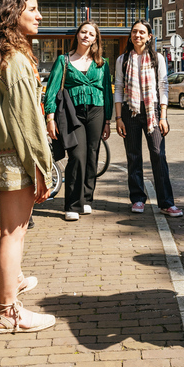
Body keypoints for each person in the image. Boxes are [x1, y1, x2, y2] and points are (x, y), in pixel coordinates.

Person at [0, 0, 55, 333]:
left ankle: (11, 281)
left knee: (8, 231)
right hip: (16, 156)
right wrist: (42, 167)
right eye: (32, 9)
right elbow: (27, 120)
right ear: (13, 15)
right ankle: (9, 313)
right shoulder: (17, 61)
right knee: (13, 233)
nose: (39, 16)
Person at [44, 21, 113, 221]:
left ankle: (85, 198)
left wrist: (107, 121)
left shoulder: (102, 63)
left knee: (92, 156)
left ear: (95, 39)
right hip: (72, 114)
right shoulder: (63, 60)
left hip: (97, 111)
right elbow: (52, 89)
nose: (86, 36)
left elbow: (107, 92)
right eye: (83, 32)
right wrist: (50, 117)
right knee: (77, 156)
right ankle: (72, 204)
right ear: (77, 35)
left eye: (91, 34)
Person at [114, 20, 182, 217]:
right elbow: (119, 88)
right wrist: (118, 118)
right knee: (133, 156)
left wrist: (164, 116)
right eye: (134, 32)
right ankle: (137, 198)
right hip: (130, 111)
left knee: (158, 155)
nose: (138, 35)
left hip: (152, 111)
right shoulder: (122, 59)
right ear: (131, 35)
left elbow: (163, 86)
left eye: (142, 32)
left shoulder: (157, 58)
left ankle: (166, 202)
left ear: (149, 36)